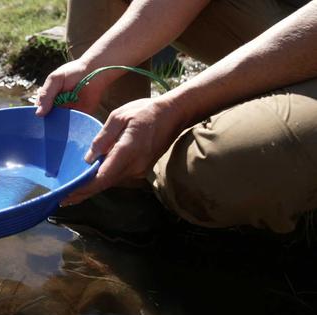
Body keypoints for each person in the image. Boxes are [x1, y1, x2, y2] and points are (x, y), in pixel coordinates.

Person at [36, 0, 317, 233]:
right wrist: (92, 65)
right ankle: (117, 192)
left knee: (205, 168)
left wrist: (178, 106)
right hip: (290, 23)